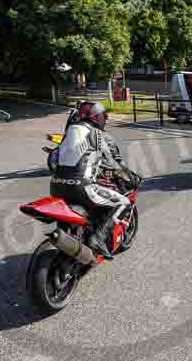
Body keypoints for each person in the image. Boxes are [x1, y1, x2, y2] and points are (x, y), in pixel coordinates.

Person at [50, 102, 131, 260]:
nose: (105, 119)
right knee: (124, 203)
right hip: (81, 187)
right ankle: (98, 238)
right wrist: (130, 177)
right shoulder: (99, 135)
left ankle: (71, 238)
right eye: (104, 116)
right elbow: (114, 163)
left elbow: (55, 158)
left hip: (56, 186)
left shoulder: (69, 132)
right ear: (97, 117)